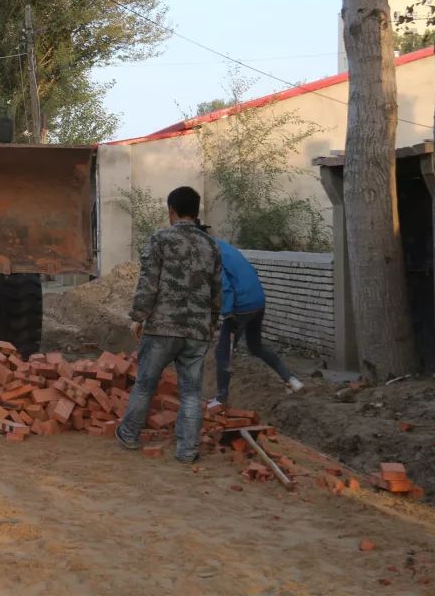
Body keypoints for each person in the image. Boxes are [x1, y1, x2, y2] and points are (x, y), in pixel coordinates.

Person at [116, 186, 222, 464]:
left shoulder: (161, 239)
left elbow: (148, 282)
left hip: (162, 327)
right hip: (197, 330)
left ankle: (128, 435)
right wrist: (211, 321)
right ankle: (187, 451)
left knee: (145, 385)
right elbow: (217, 289)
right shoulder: (211, 245)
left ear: (171, 211)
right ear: (197, 212)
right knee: (191, 393)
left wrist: (138, 316)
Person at [210, 238, 304, 408]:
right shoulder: (226, 248)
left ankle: (221, 399)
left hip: (241, 306)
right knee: (256, 346)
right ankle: (290, 379)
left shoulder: (211, 252)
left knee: (223, 352)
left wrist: (228, 314)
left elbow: (224, 285)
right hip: (257, 301)